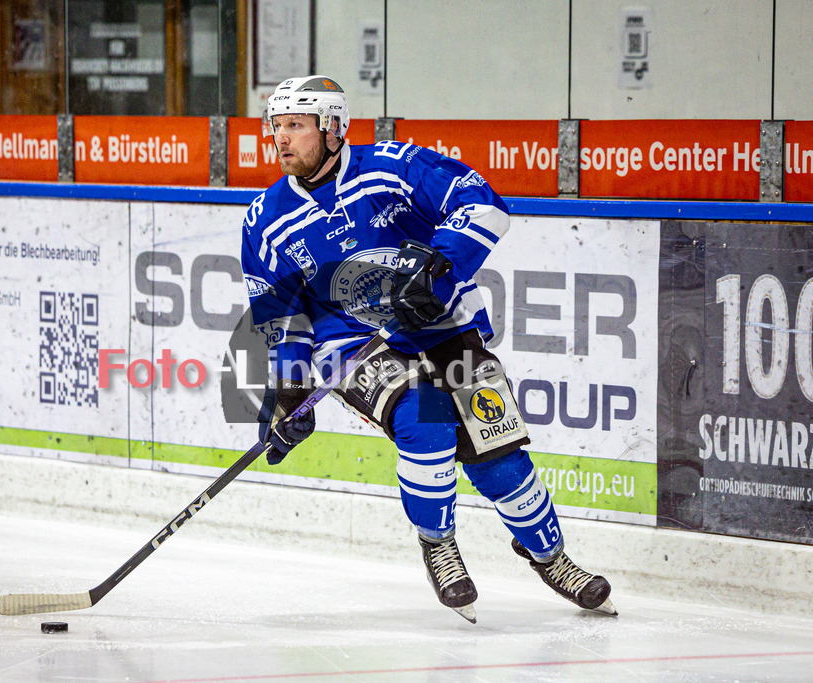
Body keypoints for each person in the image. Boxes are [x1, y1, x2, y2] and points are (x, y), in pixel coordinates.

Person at [239, 75, 616, 623]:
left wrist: (437, 262)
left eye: (296, 125)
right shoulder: (264, 219)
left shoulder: (393, 167)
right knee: (424, 418)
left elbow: (483, 204)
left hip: (444, 324)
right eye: (276, 126)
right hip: (352, 344)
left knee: (500, 461)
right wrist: (288, 390)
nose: (282, 139)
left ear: (333, 127)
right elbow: (282, 318)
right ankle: (439, 544)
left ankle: (550, 556)